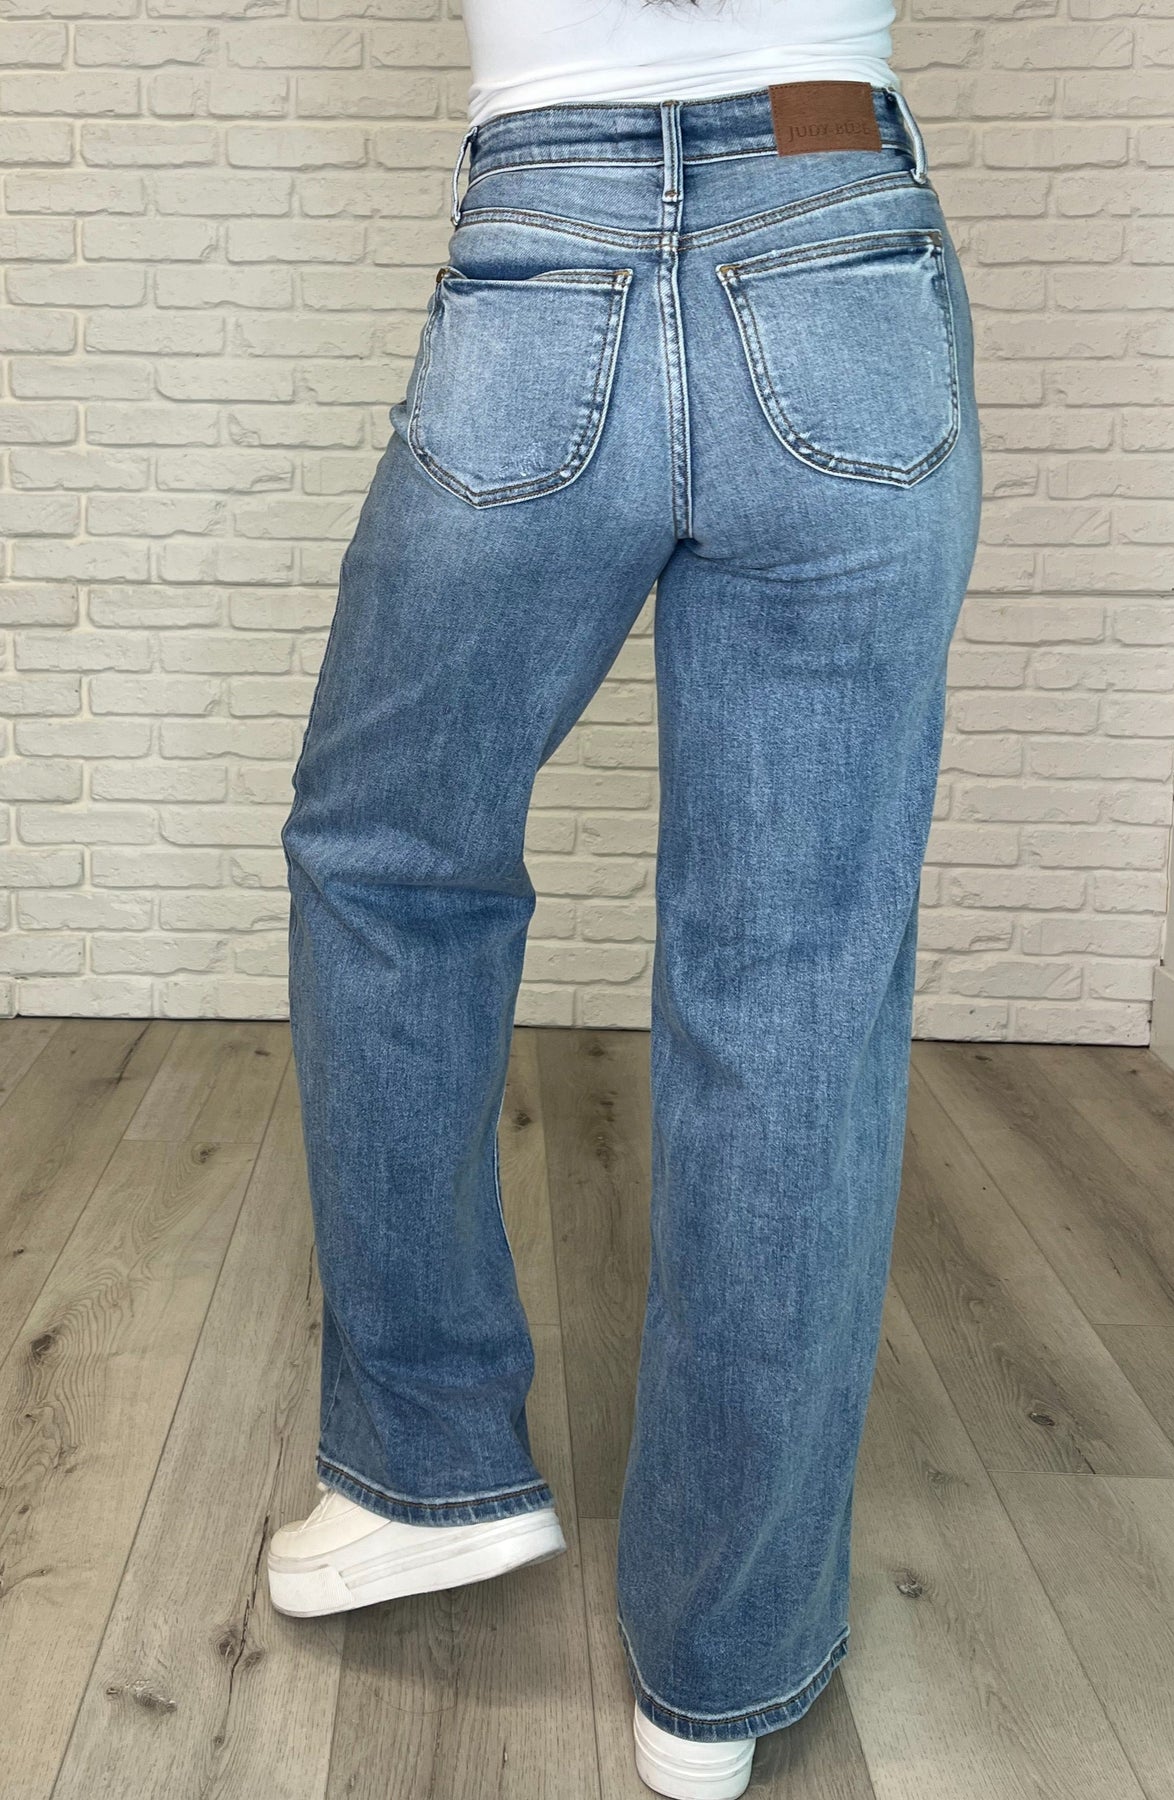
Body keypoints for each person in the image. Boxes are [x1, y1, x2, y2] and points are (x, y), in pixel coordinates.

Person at [269, 2, 982, 1795]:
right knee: (794, 975)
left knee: (390, 862)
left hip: (547, 234)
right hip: (838, 218)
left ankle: (425, 1462)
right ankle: (718, 1672)